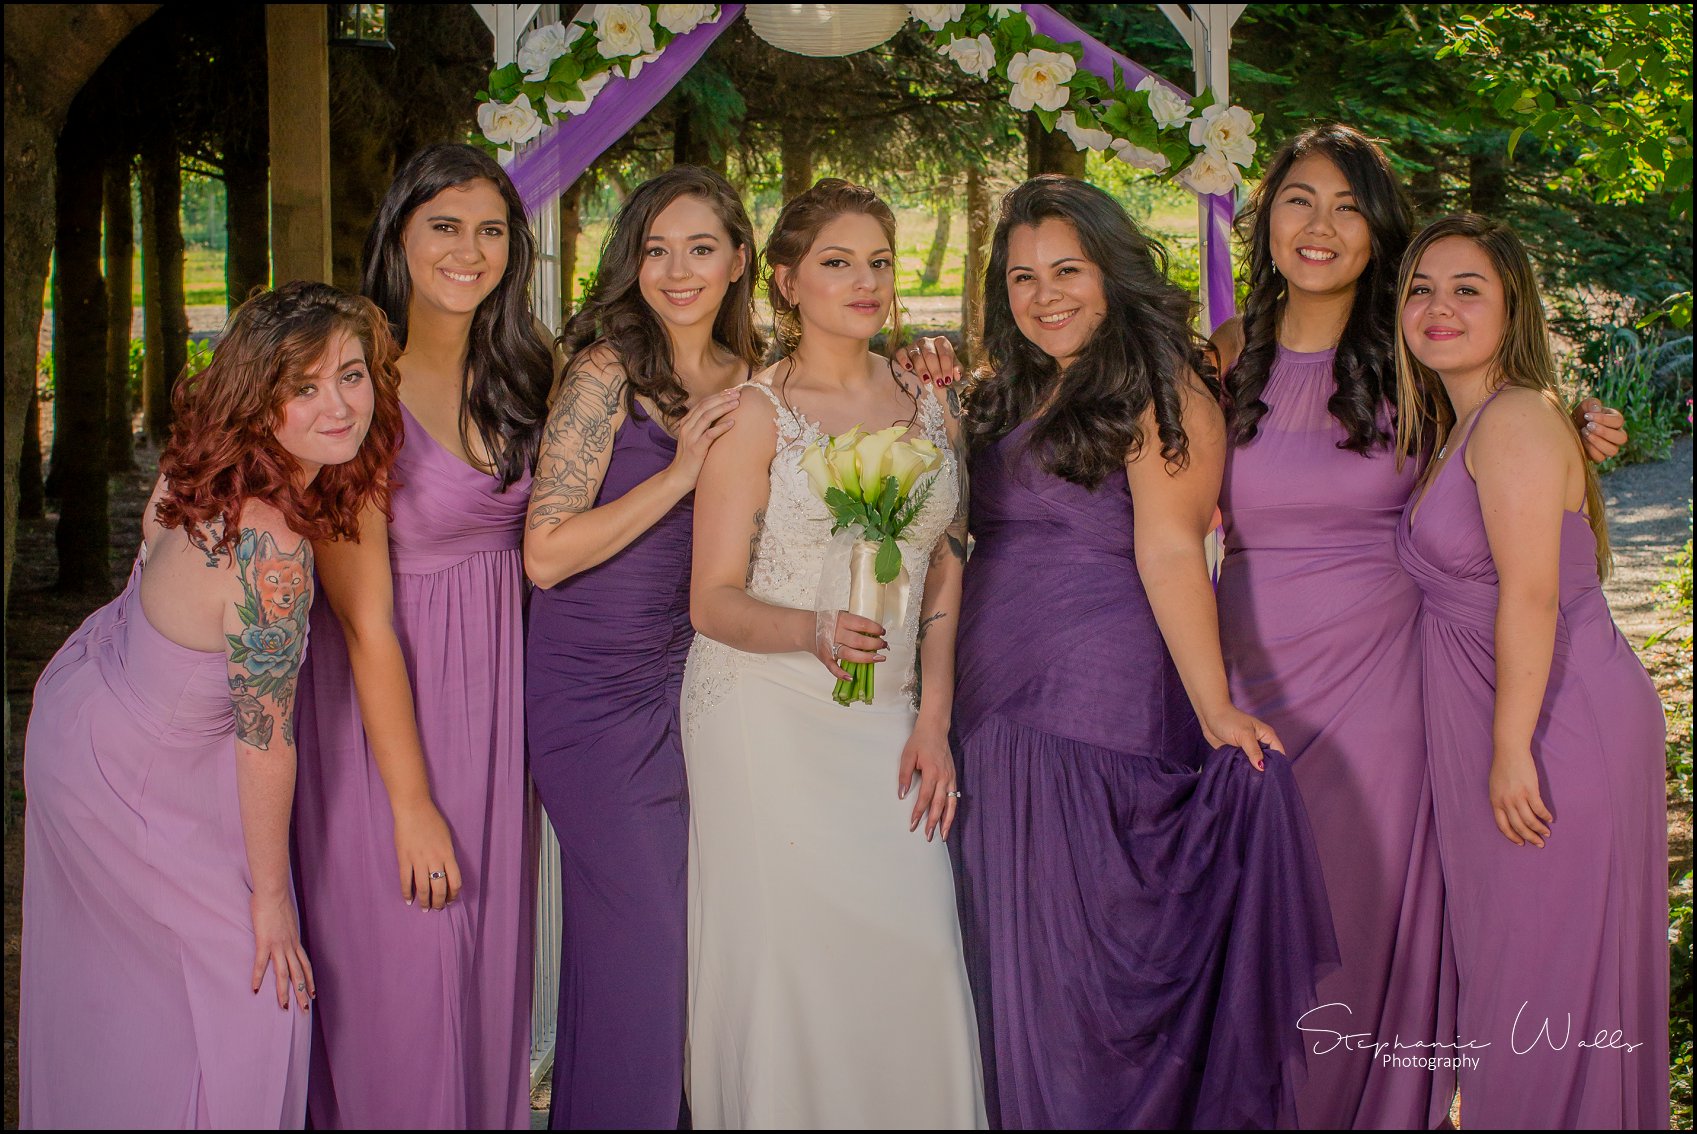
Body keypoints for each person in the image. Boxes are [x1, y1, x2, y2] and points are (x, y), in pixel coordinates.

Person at [1210, 124, 1629, 1128]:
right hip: (1249, 686)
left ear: (1376, 232)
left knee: (1360, 939)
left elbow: (1498, 478)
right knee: (1254, 946)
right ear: (1264, 219)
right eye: (1298, 199)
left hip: (1385, 696)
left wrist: (1579, 437)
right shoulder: (1221, 356)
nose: (1319, 225)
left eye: (1347, 205)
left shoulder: (1405, 357)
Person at [950, 176, 1337, 1130]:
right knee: (1012, 970)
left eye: (1068, 271)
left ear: (1113, 273)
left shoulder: (1162, 386)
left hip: (1096, 705)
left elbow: (1169, 548)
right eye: (1021, 278)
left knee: (1088, 973)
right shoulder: (1012, 392)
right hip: (987, 710)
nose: (1044, 296)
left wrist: (1213, 707)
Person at [20, 282, 402, 1129]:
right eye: (303, 388)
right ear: (258, 402)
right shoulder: (271, 546)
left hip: (94, 700)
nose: (338, 404)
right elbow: (265, 739)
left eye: (349, 374)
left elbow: (155, 537)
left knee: (136, 996)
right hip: (127, 763)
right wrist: (268, 902)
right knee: (258, 994)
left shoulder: (209, 455)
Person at [682, 177, 985, 1128]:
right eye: (837, 262)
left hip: (892, 717)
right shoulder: (756, 415)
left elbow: (944, 563)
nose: (866, 281)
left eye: (881, 262)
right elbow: (711, 602)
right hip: (765, 714)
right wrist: (813, 633)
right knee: (792, 970)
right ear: (785, 281)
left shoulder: (930, 399)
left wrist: (932, 719)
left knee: (918, 946)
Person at [291, 143, 552, 1129]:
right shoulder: (356, 385)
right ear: (398, 234)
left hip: (497, 714)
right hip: (382, 717)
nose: (469, 249)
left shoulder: (526, 370)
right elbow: (363, 622)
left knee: (483, 970)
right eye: (444, 224)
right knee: (404, 976)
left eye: (490, 229)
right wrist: (410, 805)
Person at [1394, 214, 1669, 1129]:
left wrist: (1510, 749)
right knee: (1529, 989)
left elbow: (1532, 596)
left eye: (1467, 288)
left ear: (1512, 306)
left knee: (1542, 994)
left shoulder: (1510, 416)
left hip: (1551, 728)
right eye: (1420, 288)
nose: (1438, 307)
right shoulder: (1475, 415)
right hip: (1513, 717)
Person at [522, 165, 758, 1129]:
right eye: (655, 249)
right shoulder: (603, 372)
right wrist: (681, 473)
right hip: (591, 691)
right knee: (650, 941)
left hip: (698, 680)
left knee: (680, 940)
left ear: (740, 262)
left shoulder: (751, 381)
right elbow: (543, 554)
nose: (676, 269)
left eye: (700, 248)